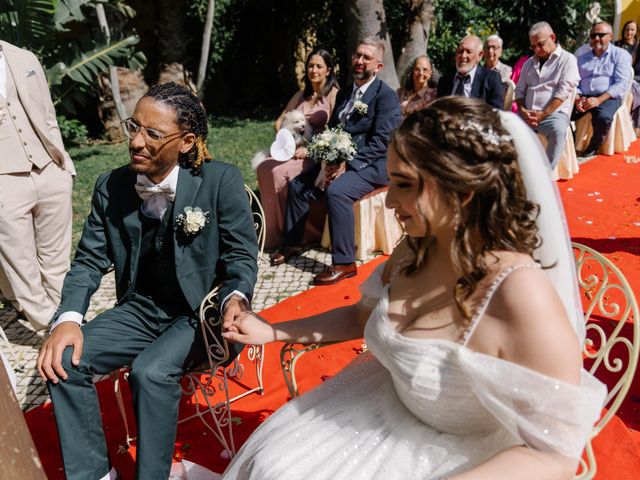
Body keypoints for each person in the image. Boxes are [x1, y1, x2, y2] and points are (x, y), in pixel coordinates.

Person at [221, 97, 606, 479]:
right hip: (375, 414)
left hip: (462, 458)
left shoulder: (520, 294)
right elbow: (361, 315)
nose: (388, 201)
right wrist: (273, 330)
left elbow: (554, 455)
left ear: (461, 188)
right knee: (273, 466)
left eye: (403, 184)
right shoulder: (413, 248)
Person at [36, 82, 258, 480]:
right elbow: (88, 261)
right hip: (141, 309)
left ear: (186, 141)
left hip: (198, 315)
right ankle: (95, 474)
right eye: (133, 127)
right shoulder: (111, 186)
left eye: (152, 134)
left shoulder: (220, 181)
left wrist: (235, 299)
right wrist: (68, 317)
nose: (136, 142)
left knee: (150, 371)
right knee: (64, 360)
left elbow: (241, 257)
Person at [270, 37, 402, 285]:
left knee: (338, 192)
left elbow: (382, 142)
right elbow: (332, 130)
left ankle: (344, 263)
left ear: (379, 66)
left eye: (367, 57)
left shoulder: (386, 97)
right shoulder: (344, 95)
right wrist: (327, 158)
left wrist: (346, 164)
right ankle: (293, 243)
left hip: (372, 164)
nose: (360, 61)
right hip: (338, 159)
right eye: (357, 55)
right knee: (298, 186)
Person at [0, 40, 75, 331]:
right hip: (5, 180)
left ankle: (70, 320)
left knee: (57, 261)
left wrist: (62, 166)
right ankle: (51, 328)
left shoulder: (24, 57)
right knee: (23, 270)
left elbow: (47, 114)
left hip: (48, 170)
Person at [257, 49, 339, 248]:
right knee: (264, 167)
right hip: (293, 149)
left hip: (316, 154)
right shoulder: (301, 95)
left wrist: (310, 150)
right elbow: (279, 122)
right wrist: (286, 140)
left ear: (328, 70)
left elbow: (336, 131)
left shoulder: (333, 94)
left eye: (319, 66)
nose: (314, 70)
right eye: (311, 66)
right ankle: (271, 229)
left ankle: (295, 233)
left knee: (278, 172)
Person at [515, 22, 580, 168]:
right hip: (527, 113)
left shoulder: (567, 60)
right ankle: (515, 172)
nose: (537, 49)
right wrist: (522, 110)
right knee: (507, 127)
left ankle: (546, 173)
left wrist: (543, 114)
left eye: (540, 44)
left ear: (552, 37)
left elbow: (562, 93)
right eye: (533, 46)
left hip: (553, 114)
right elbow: (519, 90)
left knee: (557, 130)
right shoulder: (528, 64)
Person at [573, 21, 632, 157]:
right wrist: (577, 98)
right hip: (582, 96)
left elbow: (621, 84)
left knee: (603, 117)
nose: (596, 39)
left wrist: (599, 100)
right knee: (560, 110)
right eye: (593, 35)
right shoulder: (581, 54)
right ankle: (569, 141)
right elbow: (573, 80)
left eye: (601, 35)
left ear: (610, 36)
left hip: (607, 96)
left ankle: (594, 145)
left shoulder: (620, 55)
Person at [437, 35, 504, 109]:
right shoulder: (444, 81)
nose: (463, 56)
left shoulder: (491, 79)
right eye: (460, 51)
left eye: (468, 52)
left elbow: (496, 112)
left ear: (479, 55)